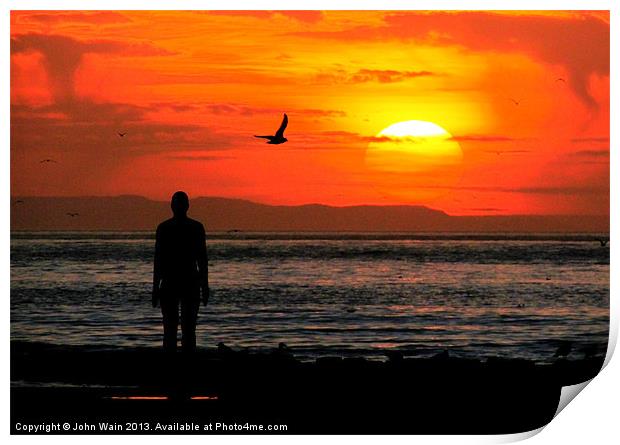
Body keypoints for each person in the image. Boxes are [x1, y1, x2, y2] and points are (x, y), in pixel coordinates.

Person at [152, 191, 209, 353]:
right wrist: (204, 286)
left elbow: (202, 259)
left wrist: (155, 288)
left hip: (181, 281)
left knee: (178, 328)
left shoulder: (166, 228)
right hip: (182, 281)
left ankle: (178, 362)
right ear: (187, 206)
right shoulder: (193, 228)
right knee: (183, 328)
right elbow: (202, 260)